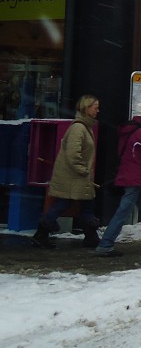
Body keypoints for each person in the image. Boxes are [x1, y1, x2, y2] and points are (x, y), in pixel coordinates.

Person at [95, 103, 141, 257]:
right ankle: (106, 243)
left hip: (131, 174)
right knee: (123, 211)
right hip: (135, 176)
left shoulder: (132, 128)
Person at [32, 95, 103, 249]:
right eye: (95, 107)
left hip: (78, 177)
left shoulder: (85, 126)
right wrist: (83, 170)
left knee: (84, 204)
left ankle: (91, 237)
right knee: (69, 203)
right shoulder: (79, 128)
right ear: (86, 108)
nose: (98, 110)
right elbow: (73, 154)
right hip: (75, 176)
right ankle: (41, 233)